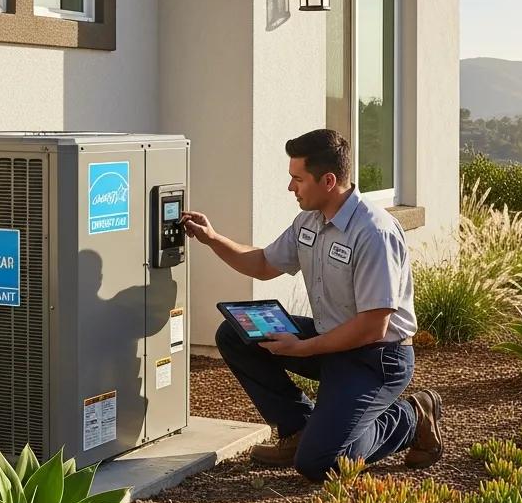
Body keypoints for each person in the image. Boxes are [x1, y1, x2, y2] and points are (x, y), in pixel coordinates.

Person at [181, 128, 443, 482]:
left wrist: (303, 348)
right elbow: (263, 264)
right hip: (330, 341)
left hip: (377, 357)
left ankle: (412, 417)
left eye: (298, 179)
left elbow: (373, 326)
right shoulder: (309, 220)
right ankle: (299, 429)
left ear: (328, 181)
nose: (291, 187)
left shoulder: (374, 232)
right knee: (235, 333)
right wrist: (212, 239)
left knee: (321, 464)